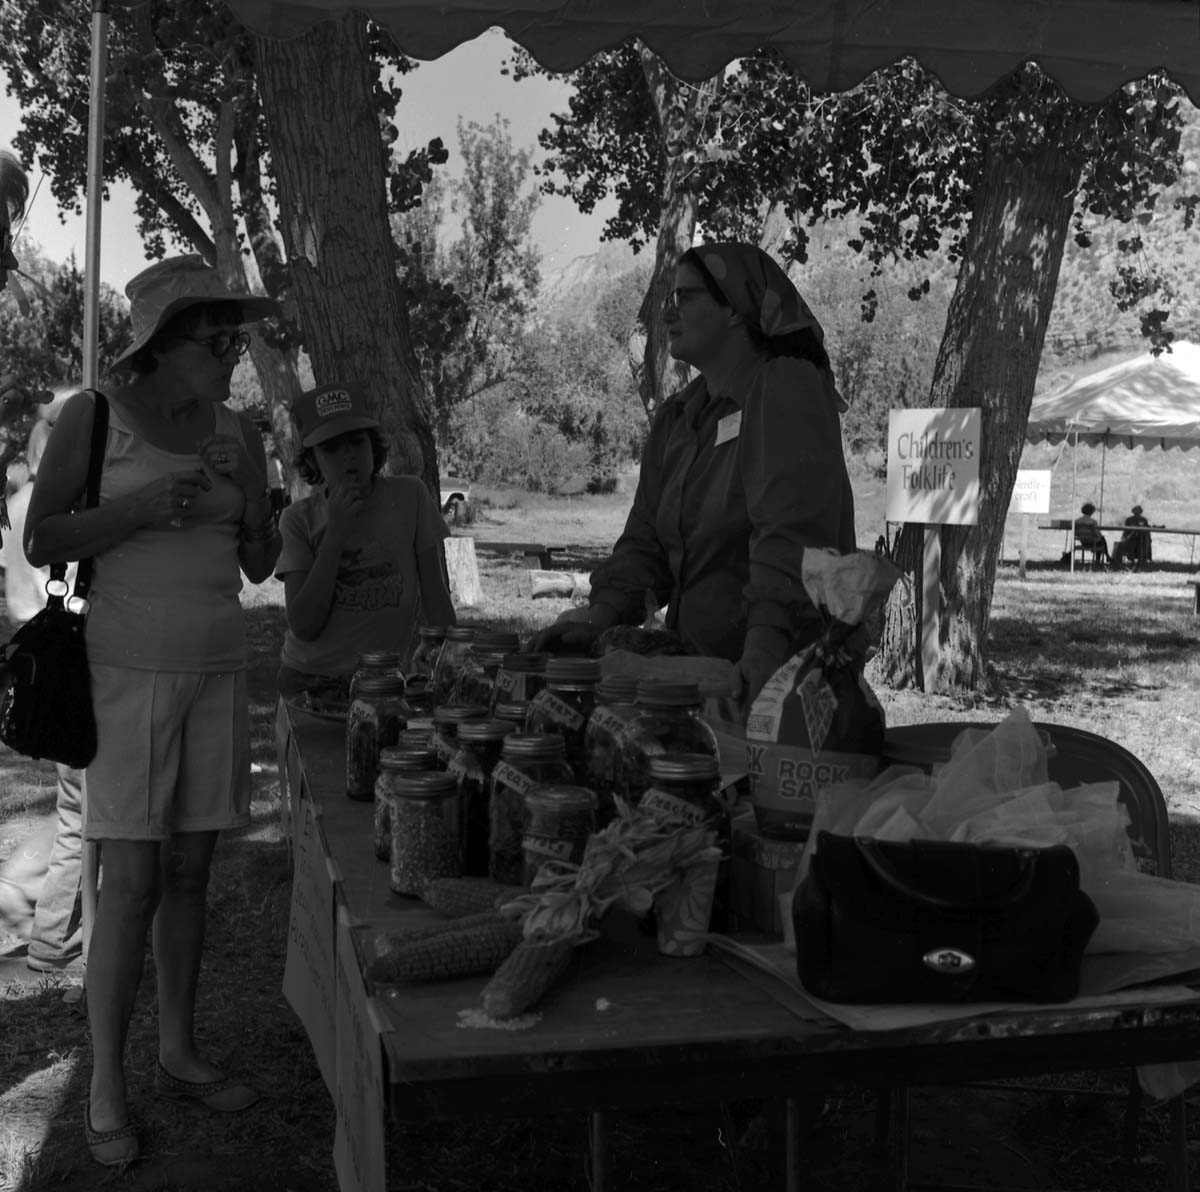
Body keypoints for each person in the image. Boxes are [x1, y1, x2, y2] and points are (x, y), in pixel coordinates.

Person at [24, 255, 282, 1166]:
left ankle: (176, 1050)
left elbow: (259, 563)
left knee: (188, 878)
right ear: (165, 345)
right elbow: (41, 536)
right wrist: (134, 508)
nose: (234, 354)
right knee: (128, 886)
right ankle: (104, 1082)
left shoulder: (239, 431)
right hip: (122, 675)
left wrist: (252, 500)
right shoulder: (93, 417)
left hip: (218, 672)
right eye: (219, 339)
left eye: (238, 338)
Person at [534, 242, 856, 706]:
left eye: (684, 298)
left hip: (786, 697)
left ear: (732, 309)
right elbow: (646, 544)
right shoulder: (677, 419)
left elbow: (792, 544)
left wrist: (758, 671)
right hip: (695, 691)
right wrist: (595, 618)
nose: (668, 314)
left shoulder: (788, 387)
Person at [274, 380, 456, 700]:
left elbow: (437, 599)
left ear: (374, 444)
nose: (348, 457)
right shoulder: (298, 520)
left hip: (383, 679)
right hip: (311, 681)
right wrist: (336, 533)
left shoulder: (410, 495)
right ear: (312, 460)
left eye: (356, 442)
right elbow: (303, 624)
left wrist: (449, 662)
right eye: (331, 448)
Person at [0, 390, 85, 974]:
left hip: (34, 670)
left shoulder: (19, 501)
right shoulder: (59, 512)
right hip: (64, 671)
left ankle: (57, 936)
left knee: (75, 811)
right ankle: (55, 941)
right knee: (83, 819)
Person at [1112, 504, 1152, 569]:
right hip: (1131, 537)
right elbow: (1126, 530)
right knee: (1131, 542)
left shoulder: (1144, 519)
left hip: (1142, 537)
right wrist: (1125, 537)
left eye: (1139, 511)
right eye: (1136, 511)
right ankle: (1132, 560)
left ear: (1141, 512)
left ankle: (1142, 560)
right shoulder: (1129, 519)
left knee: (1144, 541)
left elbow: (1147, 528)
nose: (1137, 513)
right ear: (1133, 512)